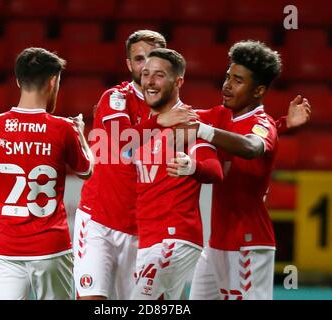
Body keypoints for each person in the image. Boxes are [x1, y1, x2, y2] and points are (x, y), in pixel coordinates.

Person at [172, 40, 306, 300]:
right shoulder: (220, 115)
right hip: (216, 246)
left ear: (258, 91)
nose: (227, 85)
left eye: (237, 80)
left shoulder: (261, 124)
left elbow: (251, 146)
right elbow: (179, 116)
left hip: (249, 245)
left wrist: (202, 130)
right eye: (227, 77)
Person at [0, 47, 93, 300]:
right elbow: (87, 171)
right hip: (51, 248)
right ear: (53, 81)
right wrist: (81, 135)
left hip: (6, 249)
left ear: (19, 80)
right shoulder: (63, 128)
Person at [73, 30, 197, 300]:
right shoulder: (115, 98)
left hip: (145, 232)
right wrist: (158, 122)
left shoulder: (181, 114)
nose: (146, 69)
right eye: (139, 60)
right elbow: (123, 142)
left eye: (152, 60)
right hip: (99, 221)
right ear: (129, 64)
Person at [131, 48, 224, 300]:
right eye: (146, 73)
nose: (149, 81)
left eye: (159, 75)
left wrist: (192, 167)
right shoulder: (142, 128)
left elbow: (214, 170)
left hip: (174, 237)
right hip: (145, 242)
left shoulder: (188, 121)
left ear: (178, 82)